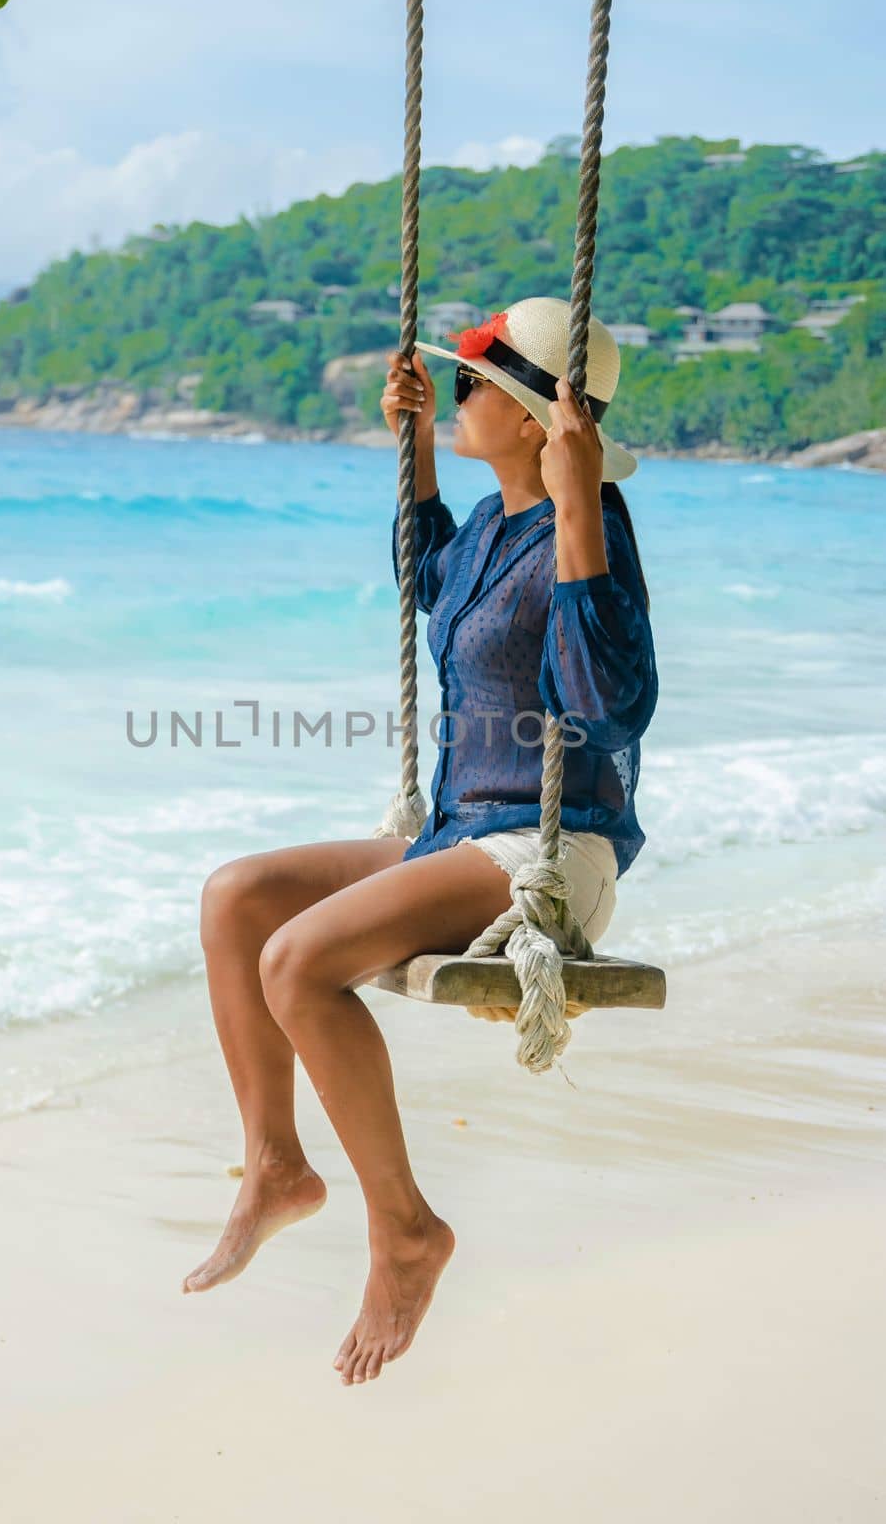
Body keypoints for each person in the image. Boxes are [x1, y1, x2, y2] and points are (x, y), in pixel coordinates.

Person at [184, 296, 659, 1389]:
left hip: (547, 852)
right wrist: (412, 451)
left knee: (296, 962)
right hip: (457, 829)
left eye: (467, 388)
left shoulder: (585, 528)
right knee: (238, 898)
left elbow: (607, 704)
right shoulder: (493, 526)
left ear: (534, 418)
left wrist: (581, 504)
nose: (453, 401)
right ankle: (274, 1165)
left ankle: (403, 1230)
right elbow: (429, 585)